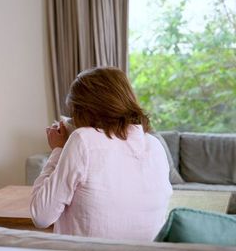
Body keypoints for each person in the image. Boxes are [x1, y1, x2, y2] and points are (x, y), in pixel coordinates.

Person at [30, 67, 172, 241]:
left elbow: (41, 216)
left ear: (85, 110)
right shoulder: (155, 145)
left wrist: (58, 149)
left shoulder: (83, 139)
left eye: (74, 111)